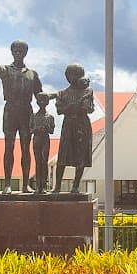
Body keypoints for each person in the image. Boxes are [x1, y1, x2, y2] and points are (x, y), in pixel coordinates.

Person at [0, 40, 41, 193]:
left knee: (26, 148)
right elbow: (0, 69)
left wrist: (59, 97)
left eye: (21, 51)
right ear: (12, 52)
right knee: (9, 147)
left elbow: (40, 95)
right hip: (10, 110)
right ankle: (7, 184)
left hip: (26, 111)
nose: (18, 53)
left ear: (25, 53)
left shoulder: (32, 74)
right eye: (15, 50)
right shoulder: (7, 70)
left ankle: (25, 185)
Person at [53, 63, 95, 194]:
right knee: (62, 156)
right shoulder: (62, 93)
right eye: (71, 74)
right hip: (68, 125)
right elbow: (60, 110)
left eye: (77, 74)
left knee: (81, 156)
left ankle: (75, 185)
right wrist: (74, 105)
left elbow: (89, 108)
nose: (73, 77)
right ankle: (57, 186)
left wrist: (77, 105)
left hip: (82, 124)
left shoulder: (87, 91)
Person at [28, 92, 56, 195]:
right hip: (36, 139)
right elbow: (30, 129)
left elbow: (52, 130)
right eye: (40, 100)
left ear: (47, 102)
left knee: (44, 162)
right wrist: (37, 128)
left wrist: (46, 128)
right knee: (38, 162)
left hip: (45, 139)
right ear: (38, 102)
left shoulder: (50, 117)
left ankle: (43, 186)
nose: (42, 102)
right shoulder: (34, 116)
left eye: (45, 100)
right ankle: (38, 187)